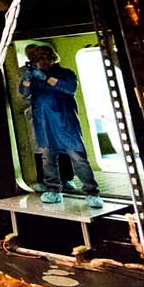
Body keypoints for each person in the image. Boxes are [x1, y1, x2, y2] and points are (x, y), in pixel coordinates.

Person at [18, 44, 102, 209]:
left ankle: (92, 193)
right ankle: (53, 190)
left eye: (45, 58)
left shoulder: (66, 74)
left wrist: (45, 78)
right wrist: (27, 79)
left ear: (52, 58)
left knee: (78, 157)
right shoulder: (34, 78)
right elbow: (24, 93)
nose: (42, 62)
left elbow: (69, 88)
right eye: (38, 59)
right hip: (44, 123)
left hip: (65, 123)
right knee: (48, 158)